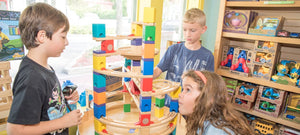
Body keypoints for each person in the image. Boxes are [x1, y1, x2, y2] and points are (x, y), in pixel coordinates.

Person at [7, 3, 82, 135]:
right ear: (42, 36)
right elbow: (15, 130)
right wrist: (64, 122)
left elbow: (44, 103)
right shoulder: (31, 78)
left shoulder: (44, 68)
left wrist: (63, 98)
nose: (67, 42)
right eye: (63, 36)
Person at [153, 8, 214, 106]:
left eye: (192, 30)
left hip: (191, 108)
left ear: (203, 29)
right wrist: (142, 78)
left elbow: (208, 86)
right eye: (184, 30)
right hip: (168, 105)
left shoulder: (208, 56)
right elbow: (157, 71)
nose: (187, 34)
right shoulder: (173, 49)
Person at [179, 70, 253, 135]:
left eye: (188, 90)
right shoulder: (202, 119)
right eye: (183, 89)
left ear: (208, 98)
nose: (180, 95)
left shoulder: (216, 132)